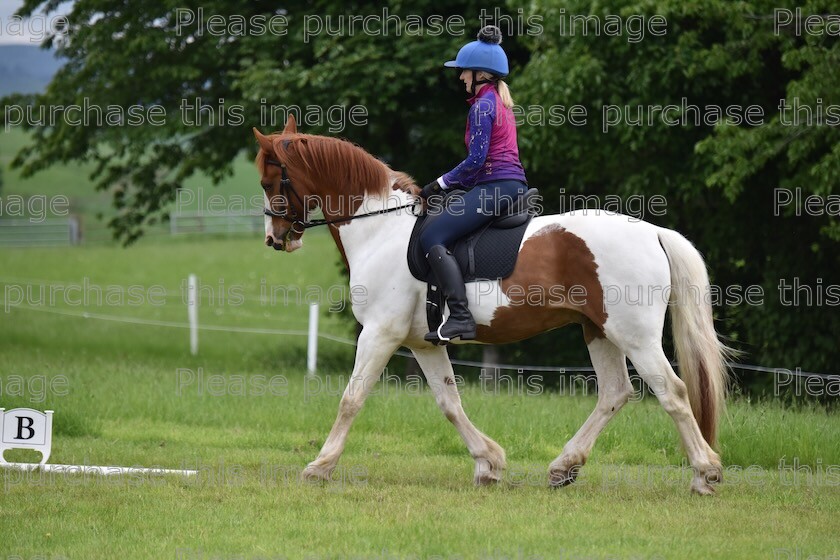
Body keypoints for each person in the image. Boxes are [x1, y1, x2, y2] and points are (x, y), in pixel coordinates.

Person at [418, 25, 529, 344]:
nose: (460, 77)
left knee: (433, 234)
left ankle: (462, 318)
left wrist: (438, 185)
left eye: (464, 71)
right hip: (506, 185)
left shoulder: (482, 107)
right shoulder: (499, 102)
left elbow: (476, 161)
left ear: (480, 74)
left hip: (496, 187)